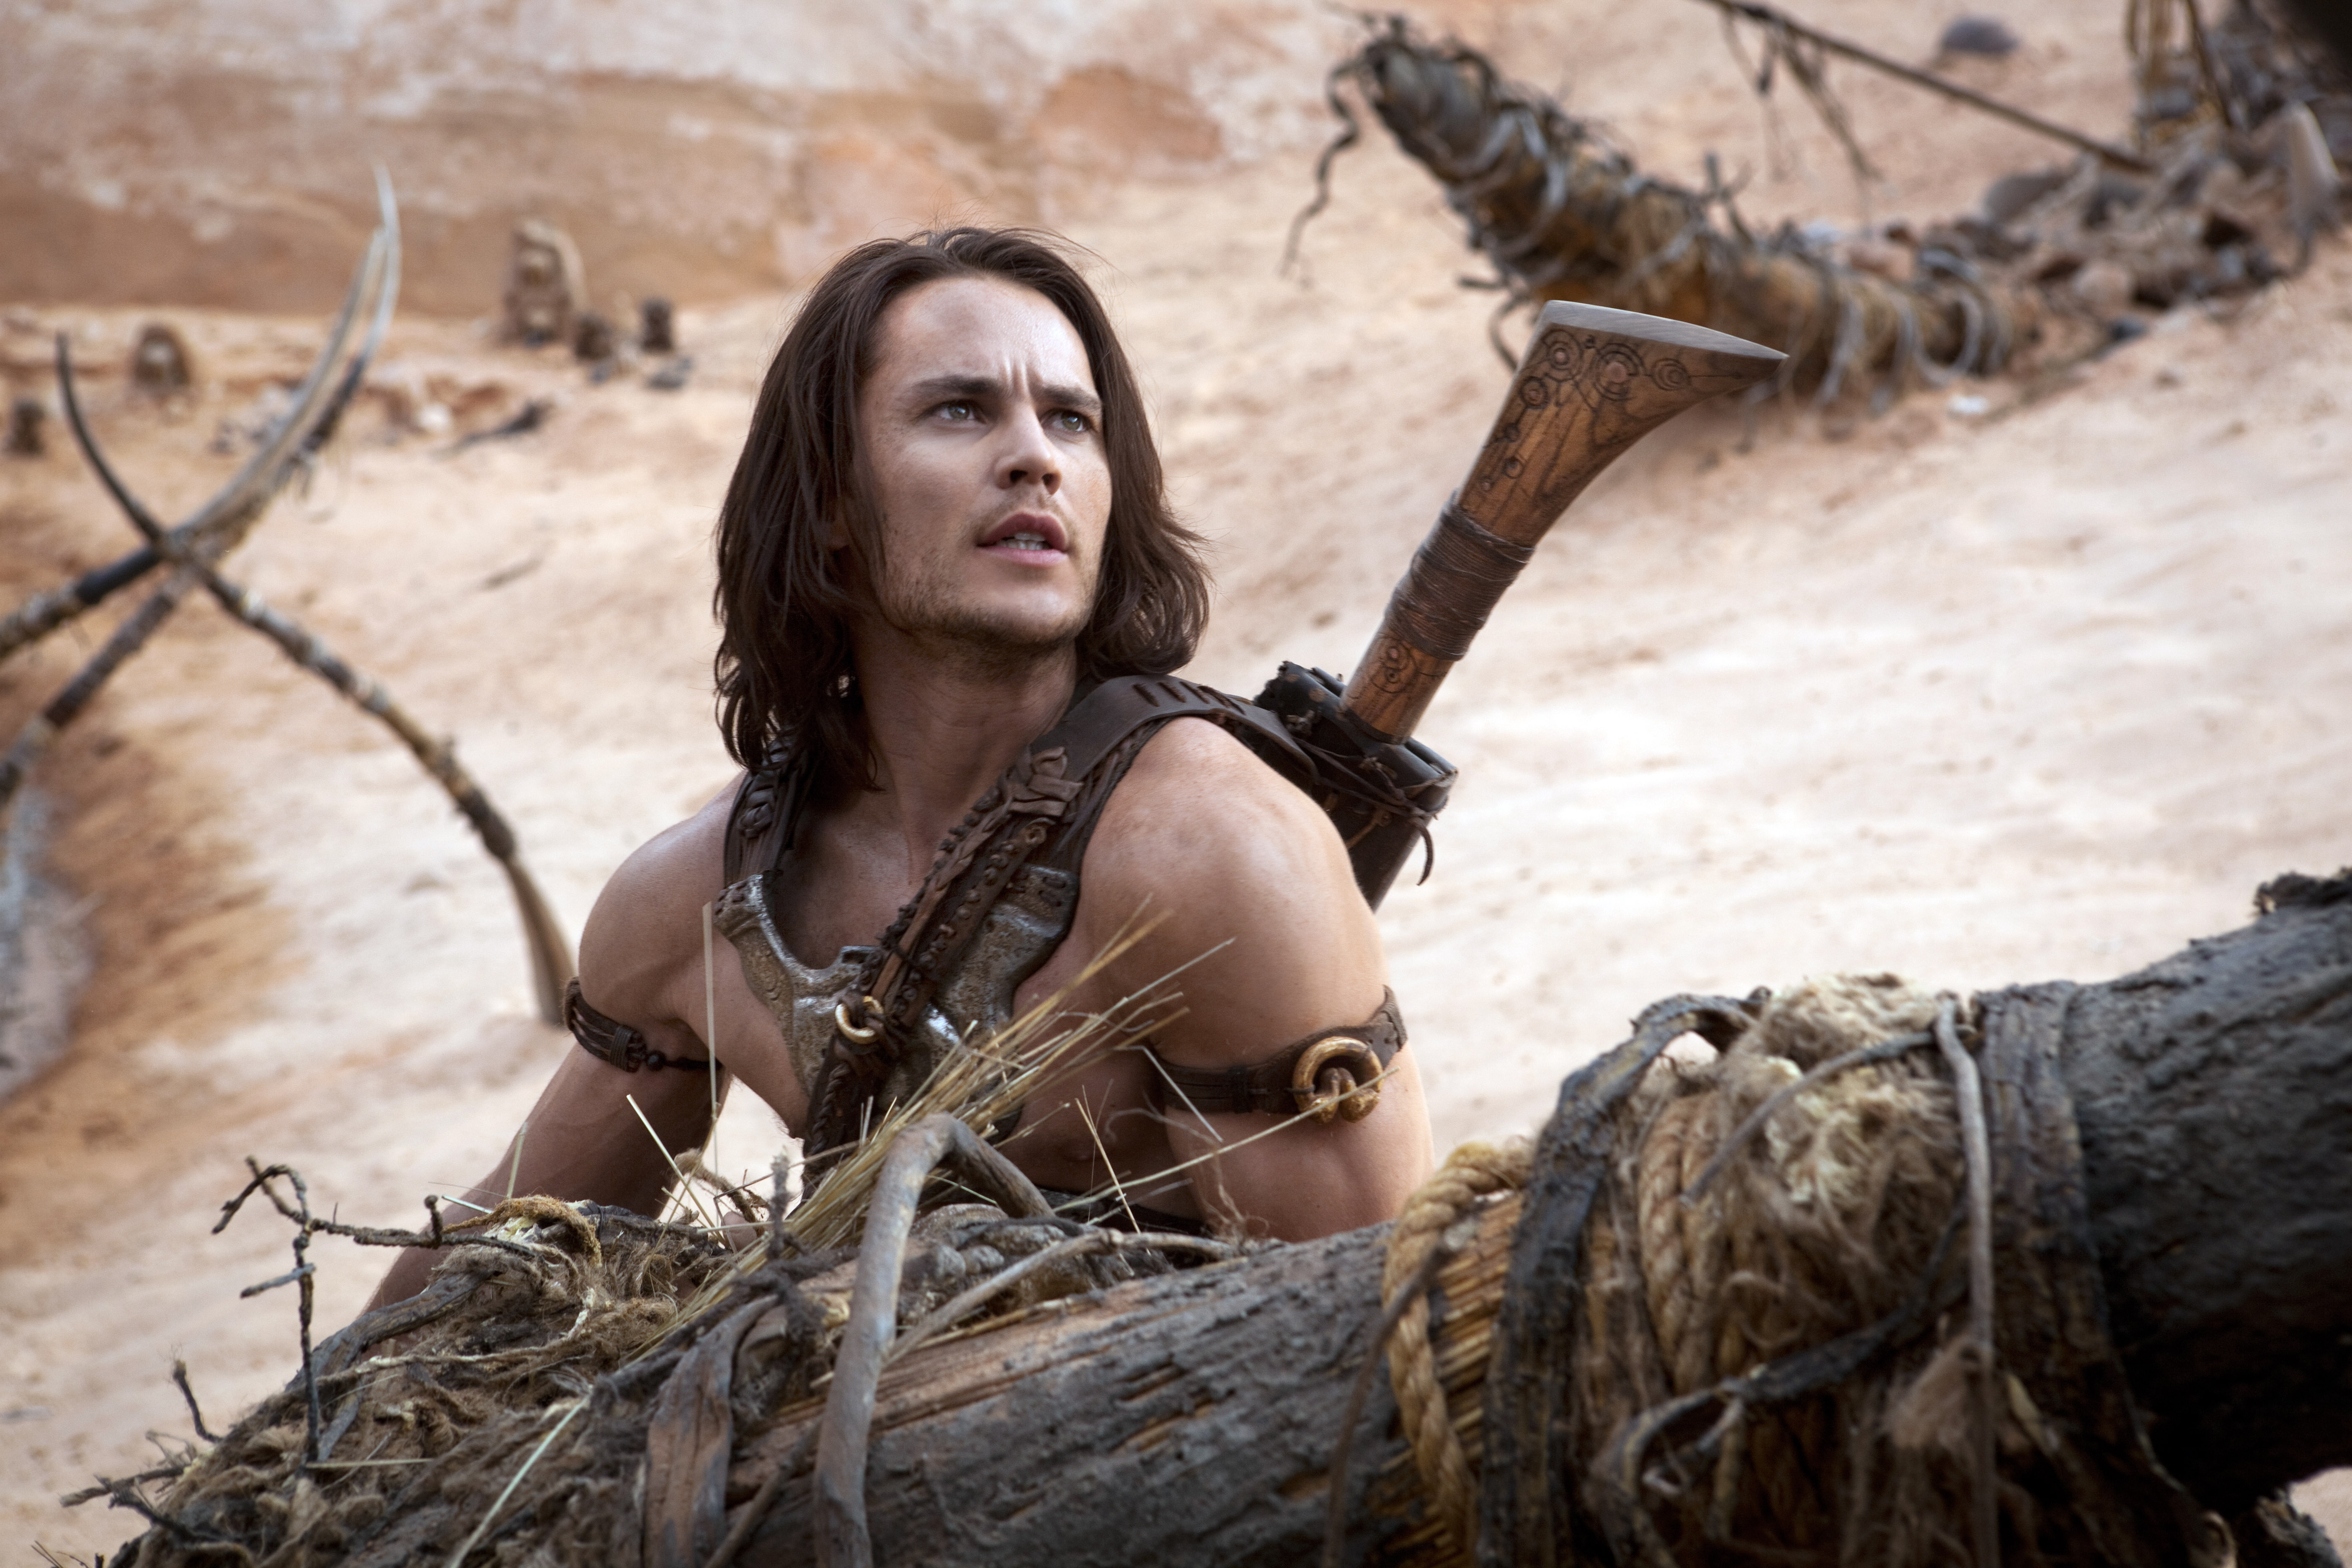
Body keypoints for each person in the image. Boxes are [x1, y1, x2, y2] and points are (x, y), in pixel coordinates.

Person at [371, 228, 1431, 1307]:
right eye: (960, 411)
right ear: (833, 501)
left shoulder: (1214, 860)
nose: (1038, 458)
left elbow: (1368, 1343)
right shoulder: (699, 908)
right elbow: (484, 1273)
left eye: (1071, 419)